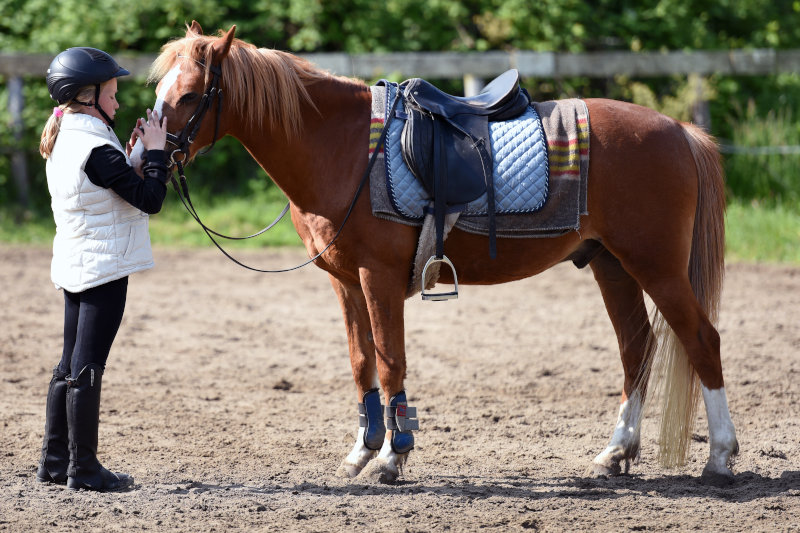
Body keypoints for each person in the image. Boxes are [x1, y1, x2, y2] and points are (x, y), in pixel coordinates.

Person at [36, 47, 170, 492]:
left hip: (76, 261)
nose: (117, 102)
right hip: (103, 268)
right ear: (89, 95)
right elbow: (150, 199)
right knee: (88, 367)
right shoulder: (96, 145)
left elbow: (105, 186)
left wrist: (130, 155)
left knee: (68, 365)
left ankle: (55, 463)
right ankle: (85, 469)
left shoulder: (70, 134)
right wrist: (155, 154)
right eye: (111, 94)